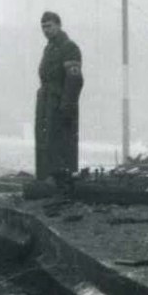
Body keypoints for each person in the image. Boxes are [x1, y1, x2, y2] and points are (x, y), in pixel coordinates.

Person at [34, 11, 84, 185]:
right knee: (45, 142)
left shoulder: (69, 47)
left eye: (49, 26)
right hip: (46, 102)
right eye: (43, 27)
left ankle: (60, 181)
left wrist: (66, 106)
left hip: (60, 103)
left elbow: (75, 79)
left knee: (61, 143)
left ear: (58, 25)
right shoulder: (49, 49)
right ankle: (46, 178)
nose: (46, 30)